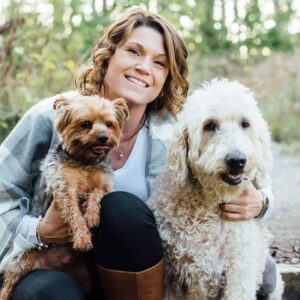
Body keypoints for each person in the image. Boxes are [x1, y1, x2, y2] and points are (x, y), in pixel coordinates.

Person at [0, 8, 275, 300]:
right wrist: (40, 231)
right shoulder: (53, 117)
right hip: (59, 266)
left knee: (121, 209)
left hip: (134, 279)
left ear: (166, 79)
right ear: (108, 55)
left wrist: (261, 203)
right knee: (48, 294)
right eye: (134, 51)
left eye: (159, 63)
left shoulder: (176, 133)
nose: (145, 67)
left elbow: (244, 169)